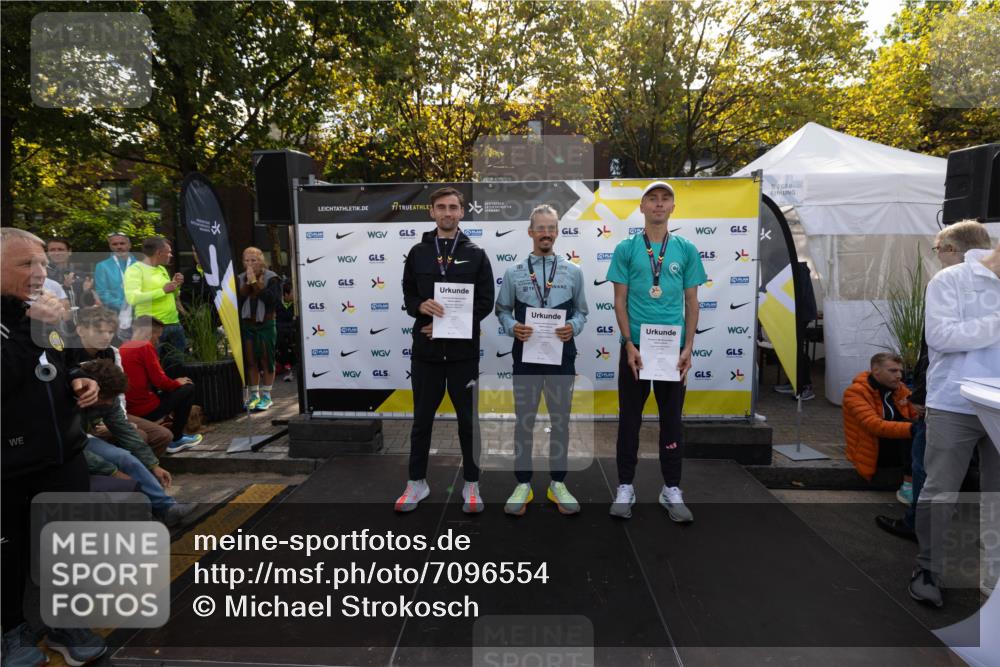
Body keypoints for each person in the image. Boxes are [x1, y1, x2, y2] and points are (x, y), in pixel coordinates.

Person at [1, 228, 107, 667]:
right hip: (8, 466)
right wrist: (33, 329)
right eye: (27, 264)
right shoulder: (32, 318)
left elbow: (61, 360)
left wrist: (81, 379)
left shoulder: (42, 311)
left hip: (63, 454)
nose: (41, 272)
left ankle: (65, 621)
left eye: (43, 262)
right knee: (10, 555)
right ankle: (11, 631)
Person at [876, 220, 992, 541]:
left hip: (950, 398)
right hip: (968, 397)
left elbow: (937, 343)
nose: (937, 255)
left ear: (953, 249)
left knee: (929, 468)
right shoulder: (956, 282)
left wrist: (923, 394)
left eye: (938, 249)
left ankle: (920, 530)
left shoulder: (946, 281)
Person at [607, 181, 707, 522]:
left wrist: (689, 346)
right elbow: (619, 302)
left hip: (672, 350)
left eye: (665, 199)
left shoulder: (686, 249)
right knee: (630, 421)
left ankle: (671, 488)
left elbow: (692, 302)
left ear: (673, 207)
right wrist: (628, 344)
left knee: (671, 421)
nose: (659, 205)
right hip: (636, 350)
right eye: (653, 199)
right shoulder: (626, 248)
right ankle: (625, 485)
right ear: (642, 207)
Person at [909, 236, 1000, 608]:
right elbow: (941, 337)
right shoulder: (951, 280)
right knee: (940, 490)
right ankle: (928, 568)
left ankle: (992, 574)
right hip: (955, 401)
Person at [395, 187, 495, 513]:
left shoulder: (477, 253)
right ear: (432, 212)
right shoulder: (418, 252)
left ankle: (472, 484)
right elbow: (409, 292)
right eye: (441, 207)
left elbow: (485, 302)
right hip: (425, 354)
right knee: (421, 421)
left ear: (462, 212)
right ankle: (416, 483)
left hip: (463, 355)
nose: (447, 213)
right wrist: (419, 306)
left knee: (468, 422)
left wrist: (448, 324)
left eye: (453, 207)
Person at [494, 204, 588, 516]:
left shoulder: (574, 272)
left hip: (562, 358)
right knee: (525, 421)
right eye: (541, 228)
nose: (546, 233)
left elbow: (582, 312)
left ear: (557, 232)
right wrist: (511, 327)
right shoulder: (514, 272)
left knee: (560, 422)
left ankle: (557, 482)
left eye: (551, 228)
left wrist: (573, 326)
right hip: (526, 357)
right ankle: (523, 483)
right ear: (531, 232)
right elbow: (502, 310)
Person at [77, 359, 194, 527]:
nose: (109, 403)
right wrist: (112, 472)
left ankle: (167, 508)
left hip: (84, 438)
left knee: (125, 457)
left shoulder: (109, 396)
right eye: (105, 398)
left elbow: (125, 431)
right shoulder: (67, 398)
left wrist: (153, 465)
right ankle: (147, 511)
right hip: (65, 445)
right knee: (115, 466)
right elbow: (70, 445)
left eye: (112, 398)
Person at [72, 306, 173, 458]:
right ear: (80, 331)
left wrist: (122, 419)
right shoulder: (66, 353)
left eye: (110, 332)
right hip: (80, 418)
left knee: (163, 435)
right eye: (100, 331)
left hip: (111, 411)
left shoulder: (112, 352)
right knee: (139, 436)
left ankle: (143, 472)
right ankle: (120, 474)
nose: (106, 336)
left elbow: (119, 393)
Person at [120, 316, 203, 454]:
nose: (157, 341)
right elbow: (161, 382)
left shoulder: (122, 347)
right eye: (157, 336)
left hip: (131, 408)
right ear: (149, 333)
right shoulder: (144, 346)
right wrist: (177, 382)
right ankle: (176, 438)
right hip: (145, 409)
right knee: (188, 387)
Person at [842, 353, 919, 496]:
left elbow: (915, 415)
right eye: (893, 371)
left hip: (896, 445)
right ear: (876, 371)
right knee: (912, 430)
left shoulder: (900, 389)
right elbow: (874, 426)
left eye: (900, 371)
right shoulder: (855, 393)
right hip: (872, 450)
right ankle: (909, 485)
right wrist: (915, 428)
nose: (899, 376)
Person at [124, 236, 186, 375]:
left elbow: (171, 294)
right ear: (158, 252)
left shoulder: (161, 269)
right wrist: (162, 290)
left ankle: (176, 394)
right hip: (151, 327)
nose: (171, 254)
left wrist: (175, 285)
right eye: (168, 252)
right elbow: (132, 298)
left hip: (173, 324)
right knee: (152, 369)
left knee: (177, 368)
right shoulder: (135, 270)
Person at [237, 247, 283, 410]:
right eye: (246, 260)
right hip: (248, 324)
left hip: (266, 324)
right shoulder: (240, 278)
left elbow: (272, 301)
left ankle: (267, 396)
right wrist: (248, 283)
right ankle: (254, 395)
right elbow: (240, 300)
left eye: (253, 260)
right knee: (250, 360)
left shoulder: (272, 278)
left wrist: (256, 283)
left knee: (266, 360)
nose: (250, 264)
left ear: (261, 261)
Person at [94, 231, 139, 340]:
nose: (119, 247)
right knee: (118, 349)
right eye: (115, 244)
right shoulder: (102, 266)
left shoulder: (140, 265)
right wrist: (123, 306)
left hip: (138, 314)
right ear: (110, 246)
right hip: (114, 315)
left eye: (122, 243)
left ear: (129, 245)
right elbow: (102, 293)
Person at [46, 237, 100, 311]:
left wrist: (87, 291)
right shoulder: (43, 275)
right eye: (52, 250)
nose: (57, 253)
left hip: (79, 318)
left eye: (60, 249)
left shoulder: (80, 274)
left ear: (69, 252)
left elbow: (87, 303)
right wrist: (64, 287)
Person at [275, 279, 298, 382]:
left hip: (291, 332)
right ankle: (287, 368)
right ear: (285, 294)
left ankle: (290, 368)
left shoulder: (296, 306)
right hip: (280, 333)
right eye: (293, 293)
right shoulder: (277, 305)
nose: (295, 295)